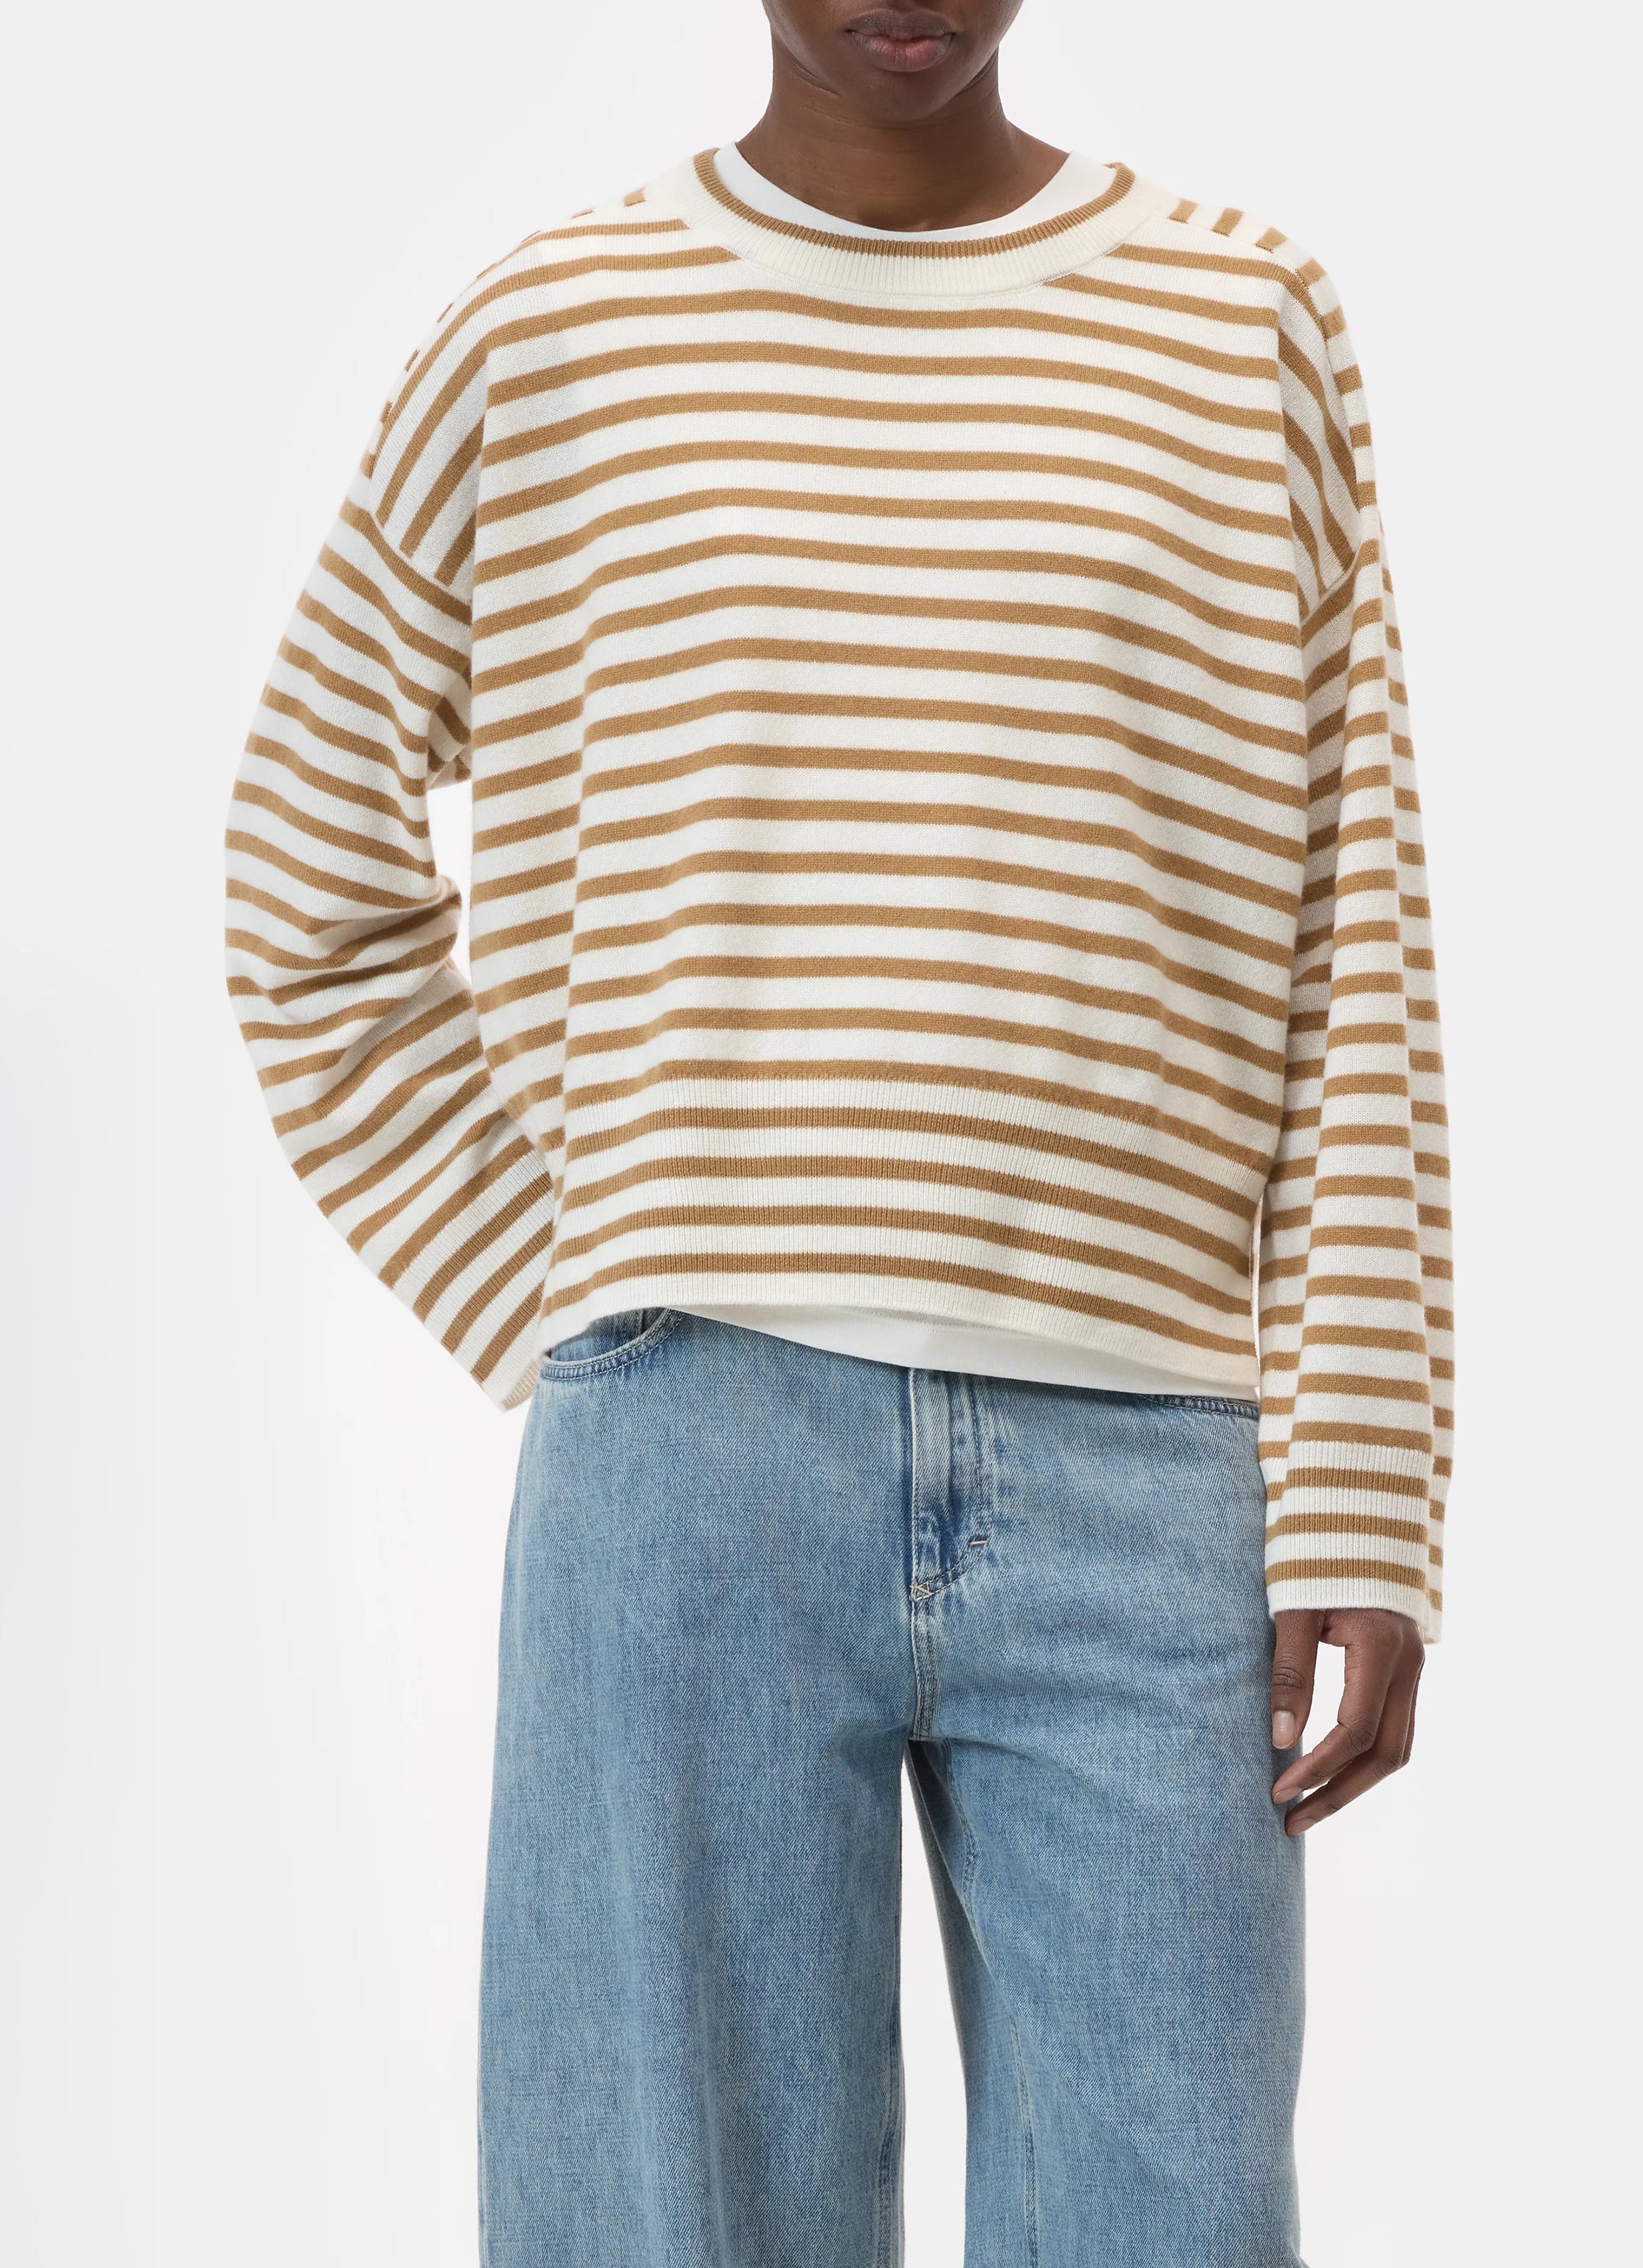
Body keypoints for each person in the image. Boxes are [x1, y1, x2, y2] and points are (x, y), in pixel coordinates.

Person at [222, 2, 1453, 2259]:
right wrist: (572, 1300)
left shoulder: (1237, 322)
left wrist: (1359, 1475)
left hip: (1150, 1479)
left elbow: (1347, 931)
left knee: (1176, 2213)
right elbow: (307, 890)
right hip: (689, 1458)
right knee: (667, 2223)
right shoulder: (554, 331)